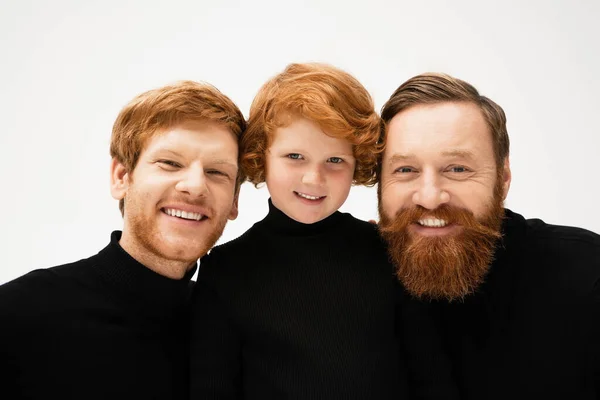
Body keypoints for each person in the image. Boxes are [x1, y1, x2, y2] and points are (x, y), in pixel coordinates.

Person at [0, 81, 246, 399]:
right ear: (121, 177)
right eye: (170, 163)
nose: (195, 186)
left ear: (235, 200)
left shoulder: (235, 333)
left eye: (217, 172)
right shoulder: (18, 315)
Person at [189, 63, 413, 399]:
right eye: (295, 156)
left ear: (358, 162)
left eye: (335, 160)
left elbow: (428, 374)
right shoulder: (225, 269)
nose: (314, 178)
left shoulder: (387, 252)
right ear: (260, 156)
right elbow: (212, 387)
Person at [377, 72, 600, 399]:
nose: (429, 197)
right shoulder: (351, 277)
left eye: (457, 169)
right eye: (405, 170)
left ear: (503, 178)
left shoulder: (587, 276)